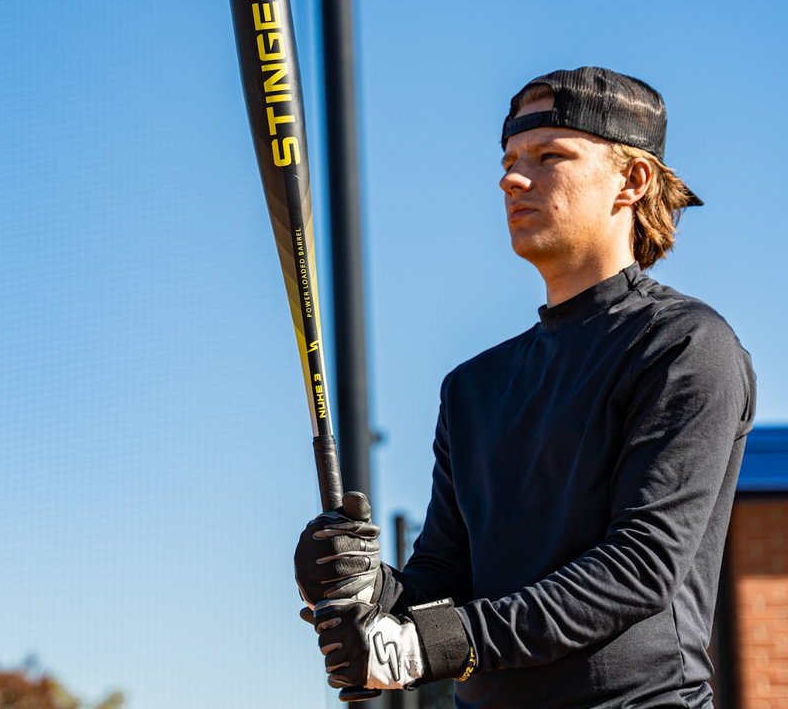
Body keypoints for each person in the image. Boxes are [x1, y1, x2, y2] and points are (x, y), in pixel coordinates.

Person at [294, 66, 756, 708]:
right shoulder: (471, 388)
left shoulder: (682, 345)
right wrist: (362, 588)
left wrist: (429, 644)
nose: (513, 177)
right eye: (510, 159)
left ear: (632, 179)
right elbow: (445, 581)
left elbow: (639, 567)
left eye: (550, 157)